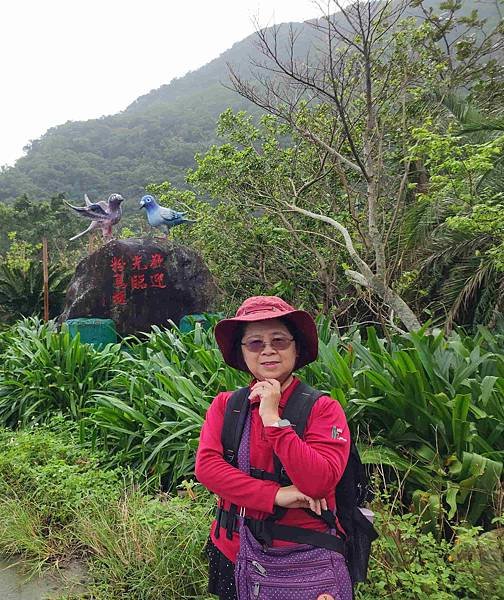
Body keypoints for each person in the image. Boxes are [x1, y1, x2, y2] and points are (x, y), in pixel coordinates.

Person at [195, 296, 351, 600]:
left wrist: (272, 419)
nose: (268, 350)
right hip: (232, 550)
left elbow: (319, 482)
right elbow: (208, 468)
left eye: (279, 340)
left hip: (304, 559)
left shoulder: (323, 409)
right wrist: (277, 495)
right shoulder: (227, 405)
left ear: (296, 347)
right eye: (255, 343)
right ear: (242, 353)